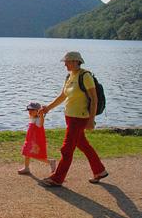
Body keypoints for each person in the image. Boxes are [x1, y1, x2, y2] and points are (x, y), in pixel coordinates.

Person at [40, 51, 108, 187]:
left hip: (80, 118)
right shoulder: (70, 76)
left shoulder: (85, 76)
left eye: (67, 61)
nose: (65, 64)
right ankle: (100, 170)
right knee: (82, 144)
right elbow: (62, 96)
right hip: (70, 118)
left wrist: (91, 119)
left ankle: (57, 178)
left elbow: (94, 99)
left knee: (66, 149)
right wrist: (48, 108)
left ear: (76, 61)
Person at [18, 102, 56, 175]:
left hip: (35, 141)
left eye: (32, 110)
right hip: (30, 140)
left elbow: (41, 123)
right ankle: (26, 168)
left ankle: (50, 162)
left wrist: (41, 115)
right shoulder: (33, 118)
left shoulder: (38, 119)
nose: (29, 112)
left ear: (38, 111)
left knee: (35, 155)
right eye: (29, 110)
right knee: (26, 153)